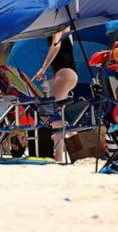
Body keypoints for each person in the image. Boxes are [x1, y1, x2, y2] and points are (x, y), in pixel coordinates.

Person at [33, 31, 79, 162]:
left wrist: (43, 68)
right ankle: (69, 136)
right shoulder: (67, 27)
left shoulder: (59, 27)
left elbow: (56, 45)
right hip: (65, 73)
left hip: (64, 73)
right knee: (55, 114)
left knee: (54, 114)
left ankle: (59, 155)